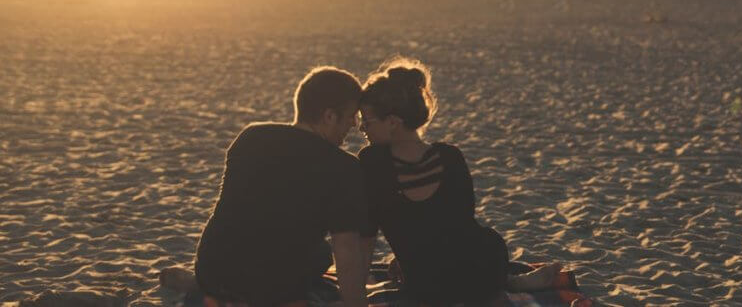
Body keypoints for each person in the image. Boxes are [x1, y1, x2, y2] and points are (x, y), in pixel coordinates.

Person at [357, 57, 561, 305]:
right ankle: (508, 282)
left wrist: (356, 292)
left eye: (366, 121)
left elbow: (367, 235)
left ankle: (508, 283)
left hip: (427, 283)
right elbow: (455, 224)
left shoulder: (372, 162)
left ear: (392, 122)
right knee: (483, 245)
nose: (361, 130)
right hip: (481, 266)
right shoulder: (449, 156)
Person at [193, 66, 369, 307]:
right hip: (271, 288)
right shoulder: (343, 166)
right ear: (329, 116)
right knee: (320, 254)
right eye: (351, 116)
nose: (354, 124)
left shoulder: (250, 137)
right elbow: (346, 247)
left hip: (211, 272)